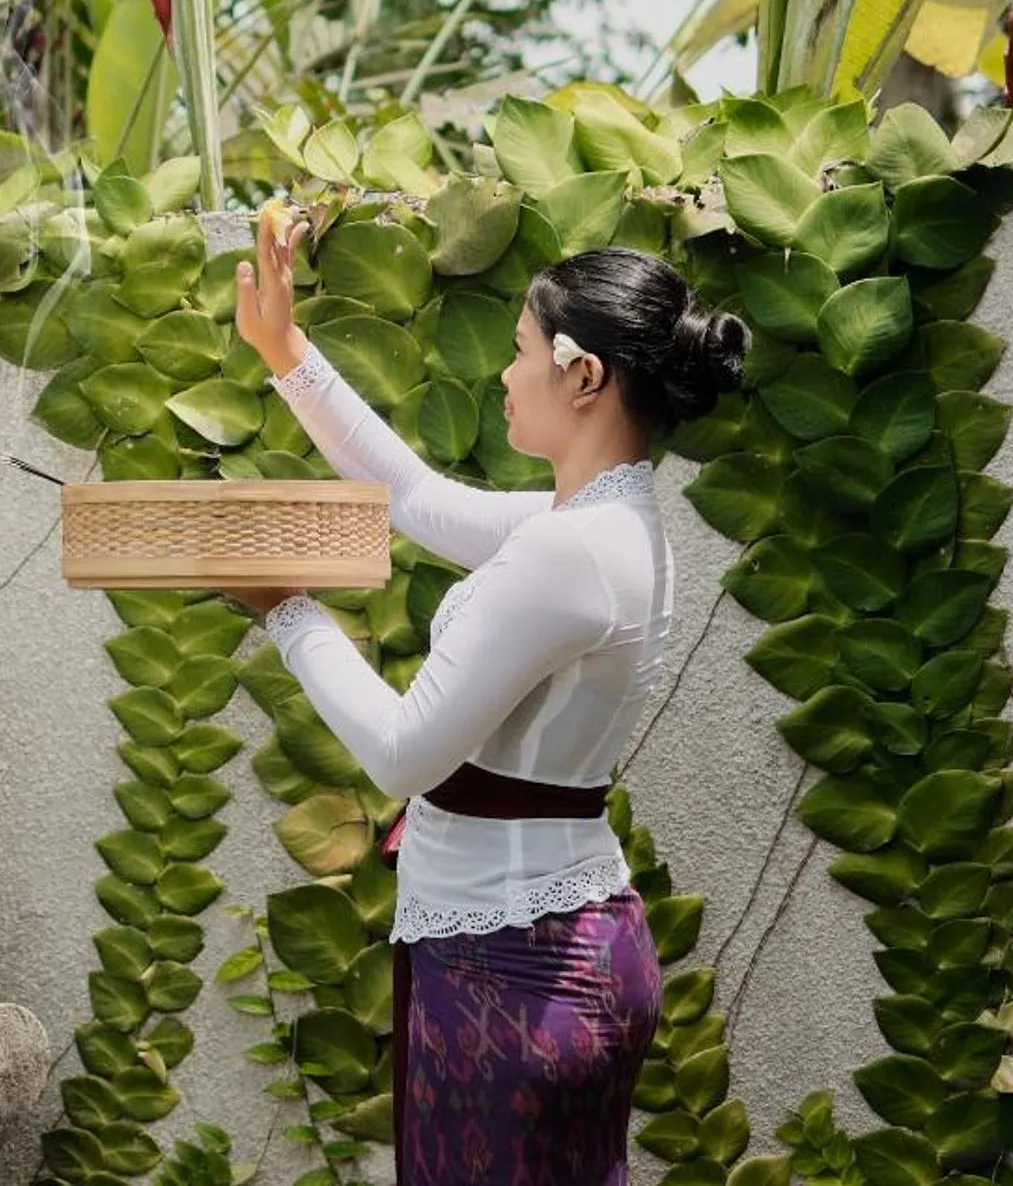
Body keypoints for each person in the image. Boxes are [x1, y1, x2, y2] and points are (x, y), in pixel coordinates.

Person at [231, 214, 747, 1186]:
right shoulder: (606, 527)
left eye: (518, 353)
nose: (504, 376)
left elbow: (400, 753)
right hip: (546, 947)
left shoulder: (567, 552)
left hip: (515, 970)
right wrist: (284, 348)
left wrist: (285, 610)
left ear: (582, 375)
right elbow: (416, 497)